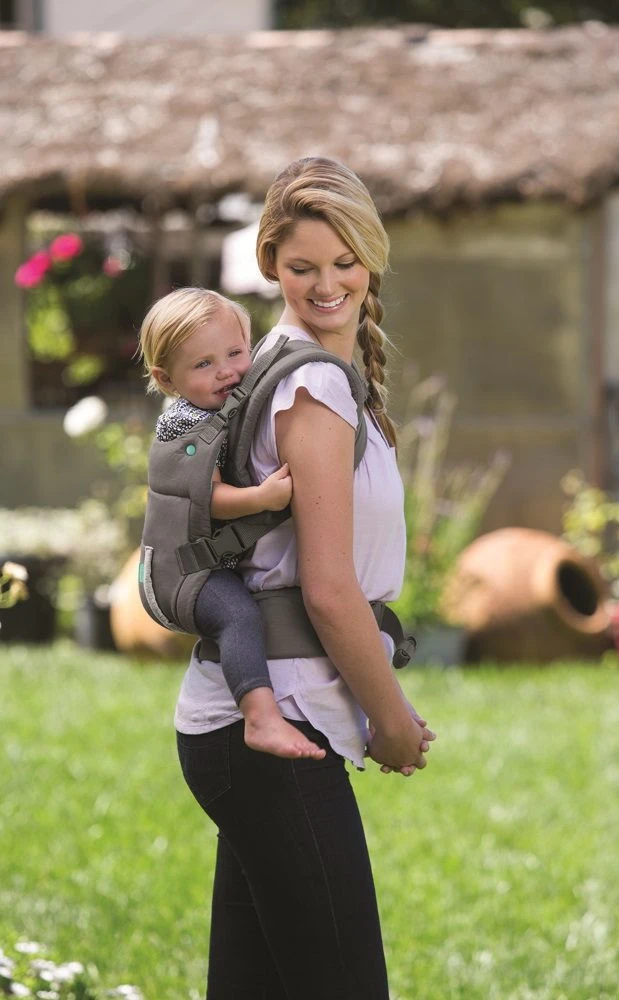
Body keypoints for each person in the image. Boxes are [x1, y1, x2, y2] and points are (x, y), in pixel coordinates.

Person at [174, 157, 437, 1000]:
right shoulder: (314, 384)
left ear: (371, 256)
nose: (327, 285)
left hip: (251, 724)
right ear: (268, 264)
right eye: (301, 267)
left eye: (345, 262)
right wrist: (390, 720)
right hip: (276, 728)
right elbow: (327, 588)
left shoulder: (291, 366)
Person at [138, 287, 325, 761]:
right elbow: (208, 497)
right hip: (182, 573)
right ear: (166, 379)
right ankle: (260, 718)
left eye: (235, 353)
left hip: (201, 565)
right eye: (203, 364)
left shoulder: (217, 406)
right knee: (238, 615)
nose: (225, 371)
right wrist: (262, 498)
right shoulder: (183, 423)